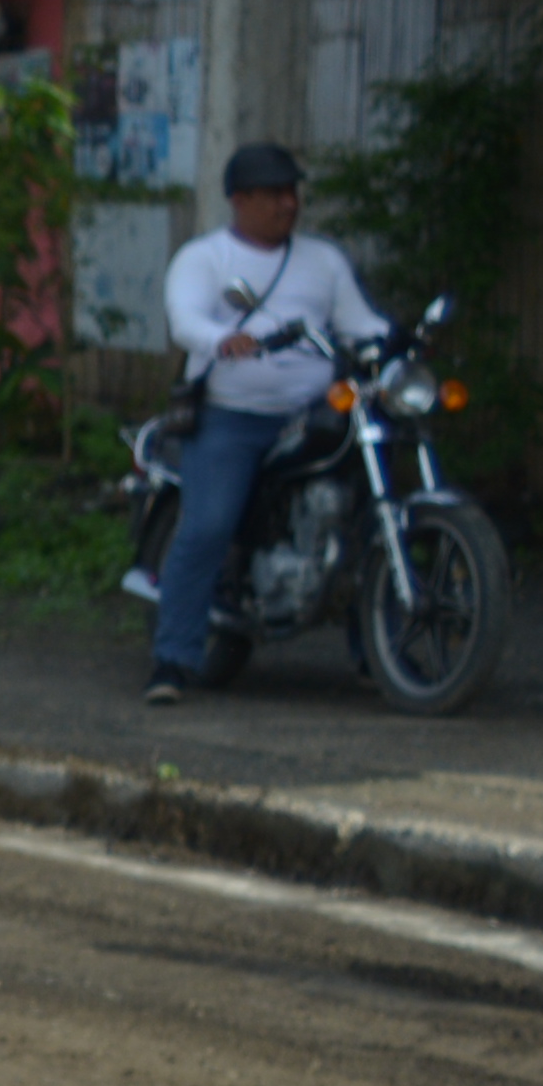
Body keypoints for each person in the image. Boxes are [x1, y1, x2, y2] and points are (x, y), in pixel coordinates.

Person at [140, 140, 391, 703]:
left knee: (370, 515)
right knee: (207, 526)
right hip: (232, 418)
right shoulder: (206, 259)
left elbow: (359, 323)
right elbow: (186, 320)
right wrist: (221, 340)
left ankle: (378, 655)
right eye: (274, 193)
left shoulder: (322, 260)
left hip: (311, 416)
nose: (288, 203)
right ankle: (172, 660)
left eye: (293, 192)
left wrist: (392, 344)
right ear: (241, 199)